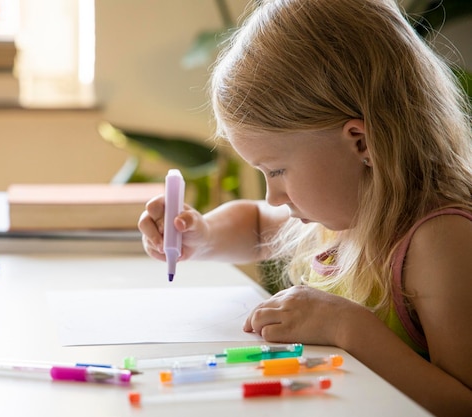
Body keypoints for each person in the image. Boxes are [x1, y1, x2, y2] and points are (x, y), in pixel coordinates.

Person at [137, 0, 472, 415]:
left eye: (276, 170)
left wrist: (345, 326)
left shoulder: (439, 240)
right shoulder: (344, 209)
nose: (272, 197)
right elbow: (258, 225)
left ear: (361, 143)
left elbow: (462, 402)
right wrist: (201, 236)